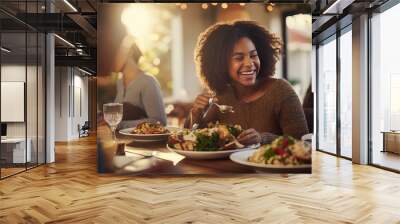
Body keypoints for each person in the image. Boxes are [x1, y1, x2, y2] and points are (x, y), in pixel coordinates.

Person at [185, 20, 309, 145]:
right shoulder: (221, 97)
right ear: (221, 64)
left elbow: (304, 143)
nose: (249, 64)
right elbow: (195, 141)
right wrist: (196, 114)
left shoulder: (280, 91)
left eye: (253, 55)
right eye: (239, 58)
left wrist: (262, 139)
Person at [112, 36, 167, 128]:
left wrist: (118, 125)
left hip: (144, 142)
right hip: (123, 141)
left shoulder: (148, 82)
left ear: (128, 51)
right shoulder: (119, 82)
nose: (109, 59)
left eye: (113, 54)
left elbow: (159, 122)